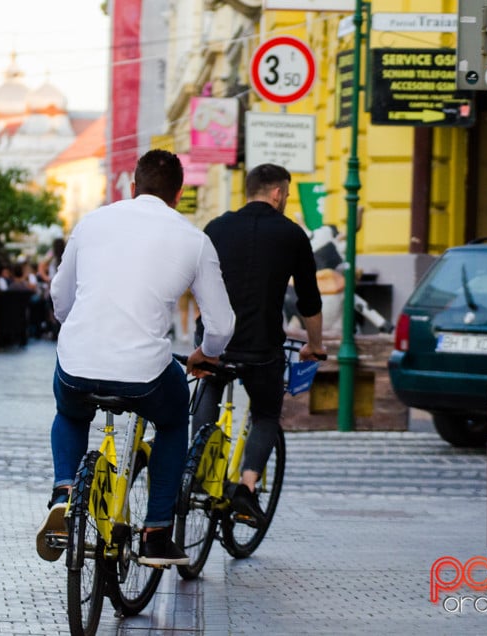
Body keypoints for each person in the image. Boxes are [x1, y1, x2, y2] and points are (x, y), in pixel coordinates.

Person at [36, 150, 235, 566]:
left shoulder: (92, 223)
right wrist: (204, 355)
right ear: (178, 194)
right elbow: (221, 325)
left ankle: (63, 492)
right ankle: (156, 532)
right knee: (172, 415)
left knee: (71, 412)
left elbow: (60, 296)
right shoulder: (194, 240)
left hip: (77, 362)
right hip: (143, 374)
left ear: (132, 186)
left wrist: (81, 327)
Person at [193, 163, 327, 524]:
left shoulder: (216, 228)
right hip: (262, 346)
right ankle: (247, 487)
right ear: (278, 193)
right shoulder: (292, 234)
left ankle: (199, 467)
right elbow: (309, 301)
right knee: (266, 413)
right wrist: (313, 345)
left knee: (208, 385)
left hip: (213, 341)